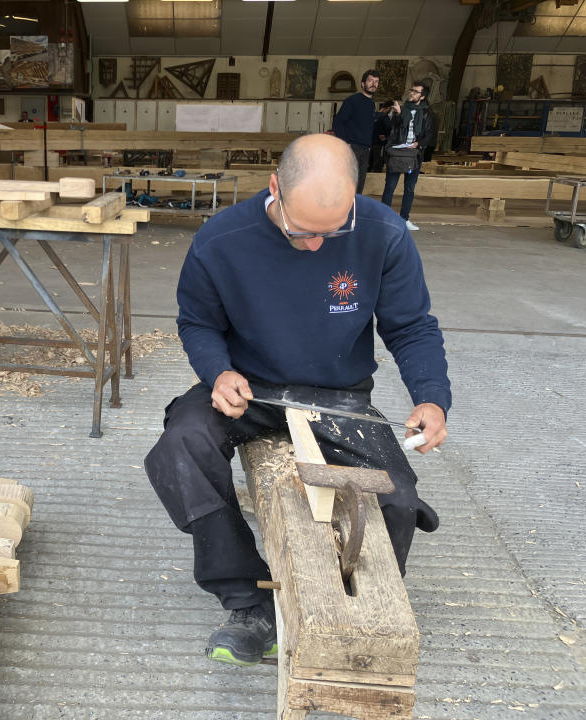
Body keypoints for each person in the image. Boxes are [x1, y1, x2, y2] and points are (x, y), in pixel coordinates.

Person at [144, 134, 450, 668]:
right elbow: (197, 323)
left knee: (398, 497)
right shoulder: (221, 240)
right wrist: (218, 374)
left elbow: (413, 327)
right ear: (274, 190)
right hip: (251, 388)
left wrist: (432, 399)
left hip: (337, 396)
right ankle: (247, 602)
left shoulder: (385, 233)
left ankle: (351, 611)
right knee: (181, 447)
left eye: (332, 233)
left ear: (354, 197)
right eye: (303, 231)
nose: (316, 245)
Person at [381, 81, 435, 232]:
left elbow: (429, 135)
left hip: (414, 154)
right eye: (412, 90)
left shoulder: (427, 114)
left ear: (422, 96)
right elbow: (392, 128)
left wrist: (418, 144)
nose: (412, 93)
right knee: (389, 187)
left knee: (409, 189)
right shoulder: (402, 108)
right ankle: (384, 219)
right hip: (398, 152)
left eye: (416, 92)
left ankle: (404, 219)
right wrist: (398, 114)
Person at [332, 69, 379, 194]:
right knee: (347, 182)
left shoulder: (372, 104)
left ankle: (353, 212)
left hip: (365, 149)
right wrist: (346, 143)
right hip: (352, 147)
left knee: (359, 184)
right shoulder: (352, 100)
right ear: (363, 84)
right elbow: (338, 122)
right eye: (370, 81)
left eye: (376, 81)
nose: (373, 84)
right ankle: (340, 212)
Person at [369, 101, 393, 173]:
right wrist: (387, 136)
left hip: (369, 142)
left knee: (369, 161)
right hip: (380, 143)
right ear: (388, 108)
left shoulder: (372, 115)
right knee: (378, 162)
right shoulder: (384, 117)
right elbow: (389, 128)